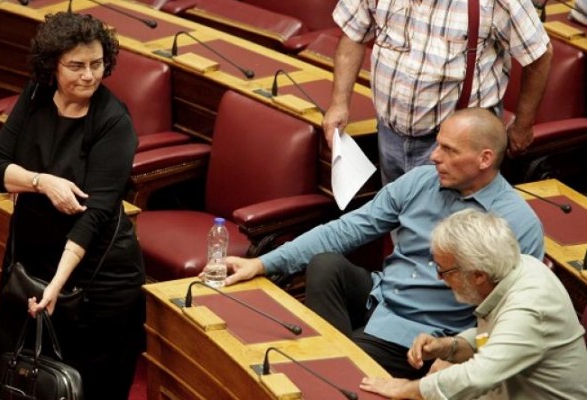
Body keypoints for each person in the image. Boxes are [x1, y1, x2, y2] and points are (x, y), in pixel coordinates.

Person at [209, 108, 544, 379]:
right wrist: (263, 263)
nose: (434, 156)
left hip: (428, 334)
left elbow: (512, 312)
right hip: (381, 297)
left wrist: (459, 353)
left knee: (337, 363)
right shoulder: (420, 181)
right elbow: (346, 229)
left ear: (485, 159)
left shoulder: (517, 223)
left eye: (449, 150)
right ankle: (336, 362)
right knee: (326, 264)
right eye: (438, 145)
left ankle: (334, 368)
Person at [0, 12, 144, 400]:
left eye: (96, 64)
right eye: (76, 65)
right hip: (29, 262)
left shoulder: (114, 121)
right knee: (14, 377)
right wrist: (42, 182)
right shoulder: (36, 94)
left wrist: (56, 284)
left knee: (81, 389)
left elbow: (95, 215)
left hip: (95, 278)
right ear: (52, 65)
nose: (89, 75)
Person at [360, 209, 587, 399]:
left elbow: (477, 377)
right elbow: (493, 337)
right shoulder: (518, 266)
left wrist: (407, 388)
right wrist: (448, 346)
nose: (439, 278)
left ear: (478, 275)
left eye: (444, 271)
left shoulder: (529, 308)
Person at [322, 0, 553, 184]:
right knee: (398, 220)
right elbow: (353, 35)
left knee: (449, 228)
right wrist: (339, 103)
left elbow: (540, 55)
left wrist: (523, 125)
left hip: (460, 145)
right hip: (389, 134)